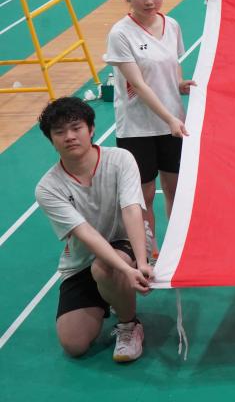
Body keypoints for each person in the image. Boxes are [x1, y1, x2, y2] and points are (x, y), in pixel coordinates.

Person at [35, 97, 152, 362]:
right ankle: (111, 293)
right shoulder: (48, 188)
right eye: (59, 132)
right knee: (74, 344)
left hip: (125, 241)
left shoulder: (120, 159)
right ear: (51, 139)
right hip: (82, 259)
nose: (69, 136)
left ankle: (129, 325)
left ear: (91, 129)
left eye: (76, 128)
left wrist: (141, 263)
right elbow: (85, 233)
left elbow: (131, 209)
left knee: (106, 267)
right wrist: (127, 272)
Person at [105, 0, 195, 260]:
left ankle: (179, 248)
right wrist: (169, 118)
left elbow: (172, 63)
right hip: (137, 128)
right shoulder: (120, 34)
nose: (149, 1)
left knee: (175, 188)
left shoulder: (173, 25)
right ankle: (150, 252)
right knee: (143, 196)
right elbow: (139, 85)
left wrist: (178, 84)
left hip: (173, 124)